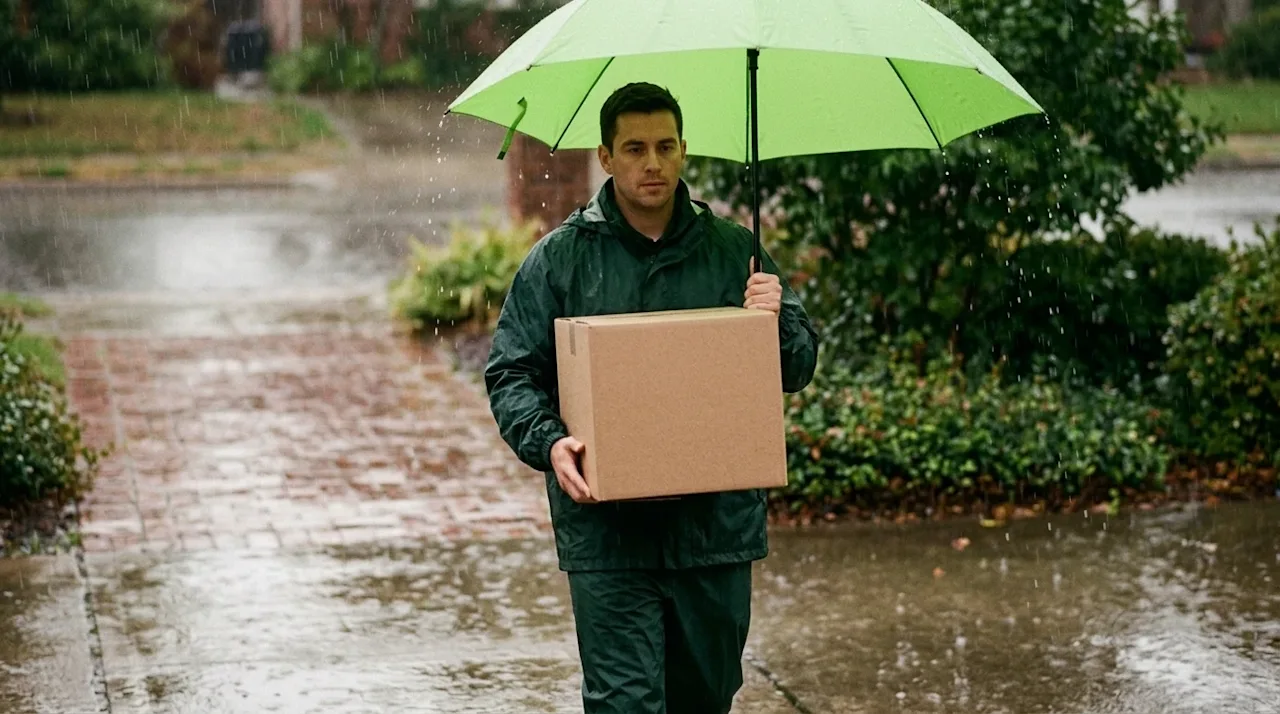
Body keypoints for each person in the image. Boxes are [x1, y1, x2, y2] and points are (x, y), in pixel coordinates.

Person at [483, 82, 819, 714]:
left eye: (666, 146)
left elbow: (796, 368)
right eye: (635, 148)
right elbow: (511, 373)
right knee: (624, 703)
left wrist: (775, 321)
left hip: (713, 532)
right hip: (608, 537)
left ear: (685, 151)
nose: (653, 162)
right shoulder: (561, 260)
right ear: (606, 157)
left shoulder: (732, 253)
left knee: (704, 699)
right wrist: (550, 443)